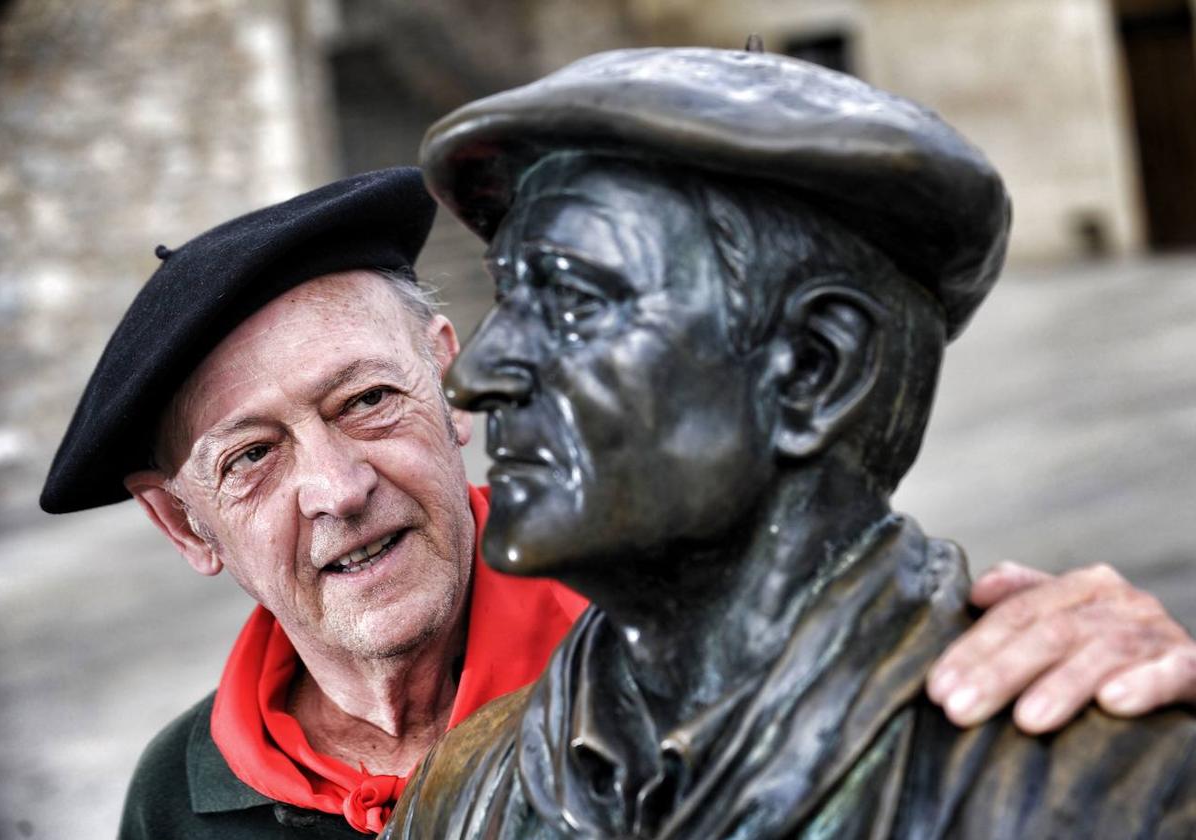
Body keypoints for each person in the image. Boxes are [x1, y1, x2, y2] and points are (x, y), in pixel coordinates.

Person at [39, 163, 1195, 839]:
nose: (338, 489)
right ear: (185, 524)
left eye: (369, 401)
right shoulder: (175, 798)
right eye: (251, 458)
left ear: (454, 385)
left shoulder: (677, 654)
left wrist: (1099, 671)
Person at [385, 47, 1196, 838]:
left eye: (570, 302)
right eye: (505, 295)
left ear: (816, 368)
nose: (475, 376)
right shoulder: (459, 797)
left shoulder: (1111, 792)